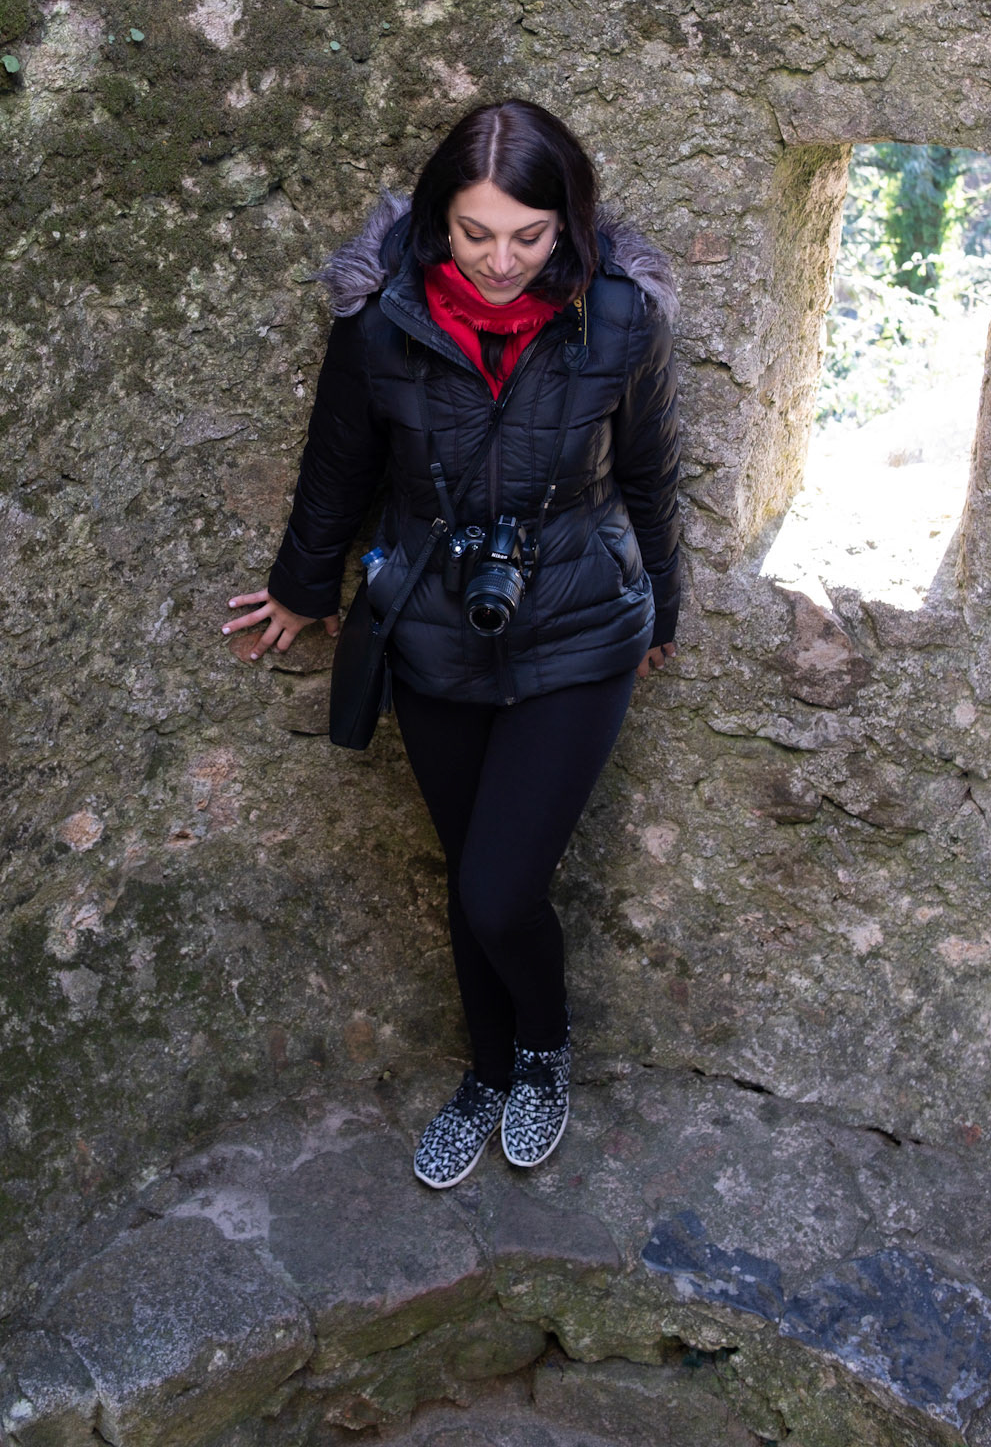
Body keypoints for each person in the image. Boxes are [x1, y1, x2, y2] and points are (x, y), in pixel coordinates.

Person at [223, 99, 680, 1188]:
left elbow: (651, 472)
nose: (503, 261)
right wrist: (299, 586)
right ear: (439, 220)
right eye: (477, 234)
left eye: (530, 236)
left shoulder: (620, 316)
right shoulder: (379, 319)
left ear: (568, 222)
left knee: (496, 890)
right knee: (470, 868)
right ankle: (486, 1072)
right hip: (431, 622)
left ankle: (542, 1051)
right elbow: (337, 464)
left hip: (579, 627)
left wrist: (661, 606)